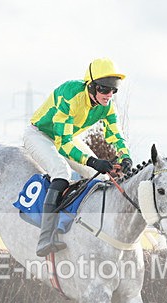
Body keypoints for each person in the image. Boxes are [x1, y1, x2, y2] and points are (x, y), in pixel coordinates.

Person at [24, 58, 134, 257]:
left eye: (113, 90)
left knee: (100, 177)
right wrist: (92, 160)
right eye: (104, 90)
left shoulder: (107, 105)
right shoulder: (70, 94)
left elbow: (115, 134)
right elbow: (62, 143)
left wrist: (126, 157)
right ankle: (45, 237)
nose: (108, 95)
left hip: (67, 137)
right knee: (62, 172)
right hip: (39, 135)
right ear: (91, 86)